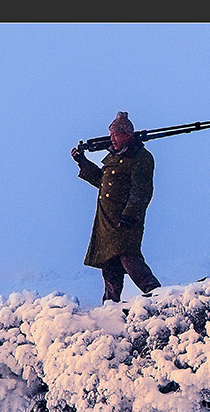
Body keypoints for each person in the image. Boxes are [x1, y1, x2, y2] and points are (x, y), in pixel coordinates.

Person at [71, 111, 162, 303]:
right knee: (110, 267)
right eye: (110, 134)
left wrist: (131, 214)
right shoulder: (112, 157)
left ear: (127, 135)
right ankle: (110, 306)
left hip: (124, 221)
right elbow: (103, 182)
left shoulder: (141, 158)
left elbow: (142, 190)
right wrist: (83, 162)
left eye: (115, 134)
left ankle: (156, 294)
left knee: (129, 259)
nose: (111, 138)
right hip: (106, 223)